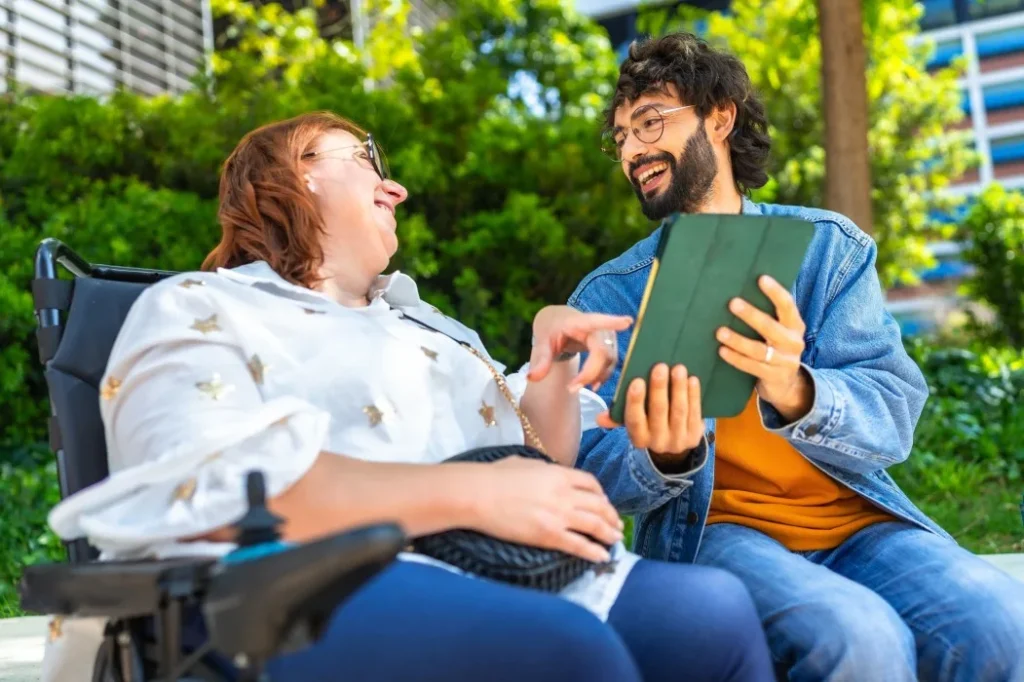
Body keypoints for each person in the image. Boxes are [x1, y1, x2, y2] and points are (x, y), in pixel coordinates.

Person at [43, 111, 774, 682]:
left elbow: (531, 464)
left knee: (711, 613)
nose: (393, 187)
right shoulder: (200, 305)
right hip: (293, 580)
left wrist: (549, 368)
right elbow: (217, 480)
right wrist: (468, 496)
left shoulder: (423, 329)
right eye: (363, 161)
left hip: (481, 563)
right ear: (288, 181)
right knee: (560, 656)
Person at [569, 32, 1024, 682]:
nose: (633, 151)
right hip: (717, 535)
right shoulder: (606, 298)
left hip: (859, 524)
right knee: (858, 640)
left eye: (650, 124)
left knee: (1004, 622)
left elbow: (892, 414)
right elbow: (585, 464)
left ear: (719, 117)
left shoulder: (827, 250)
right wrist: (664, 455)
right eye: (622, 139)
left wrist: (795, 387)